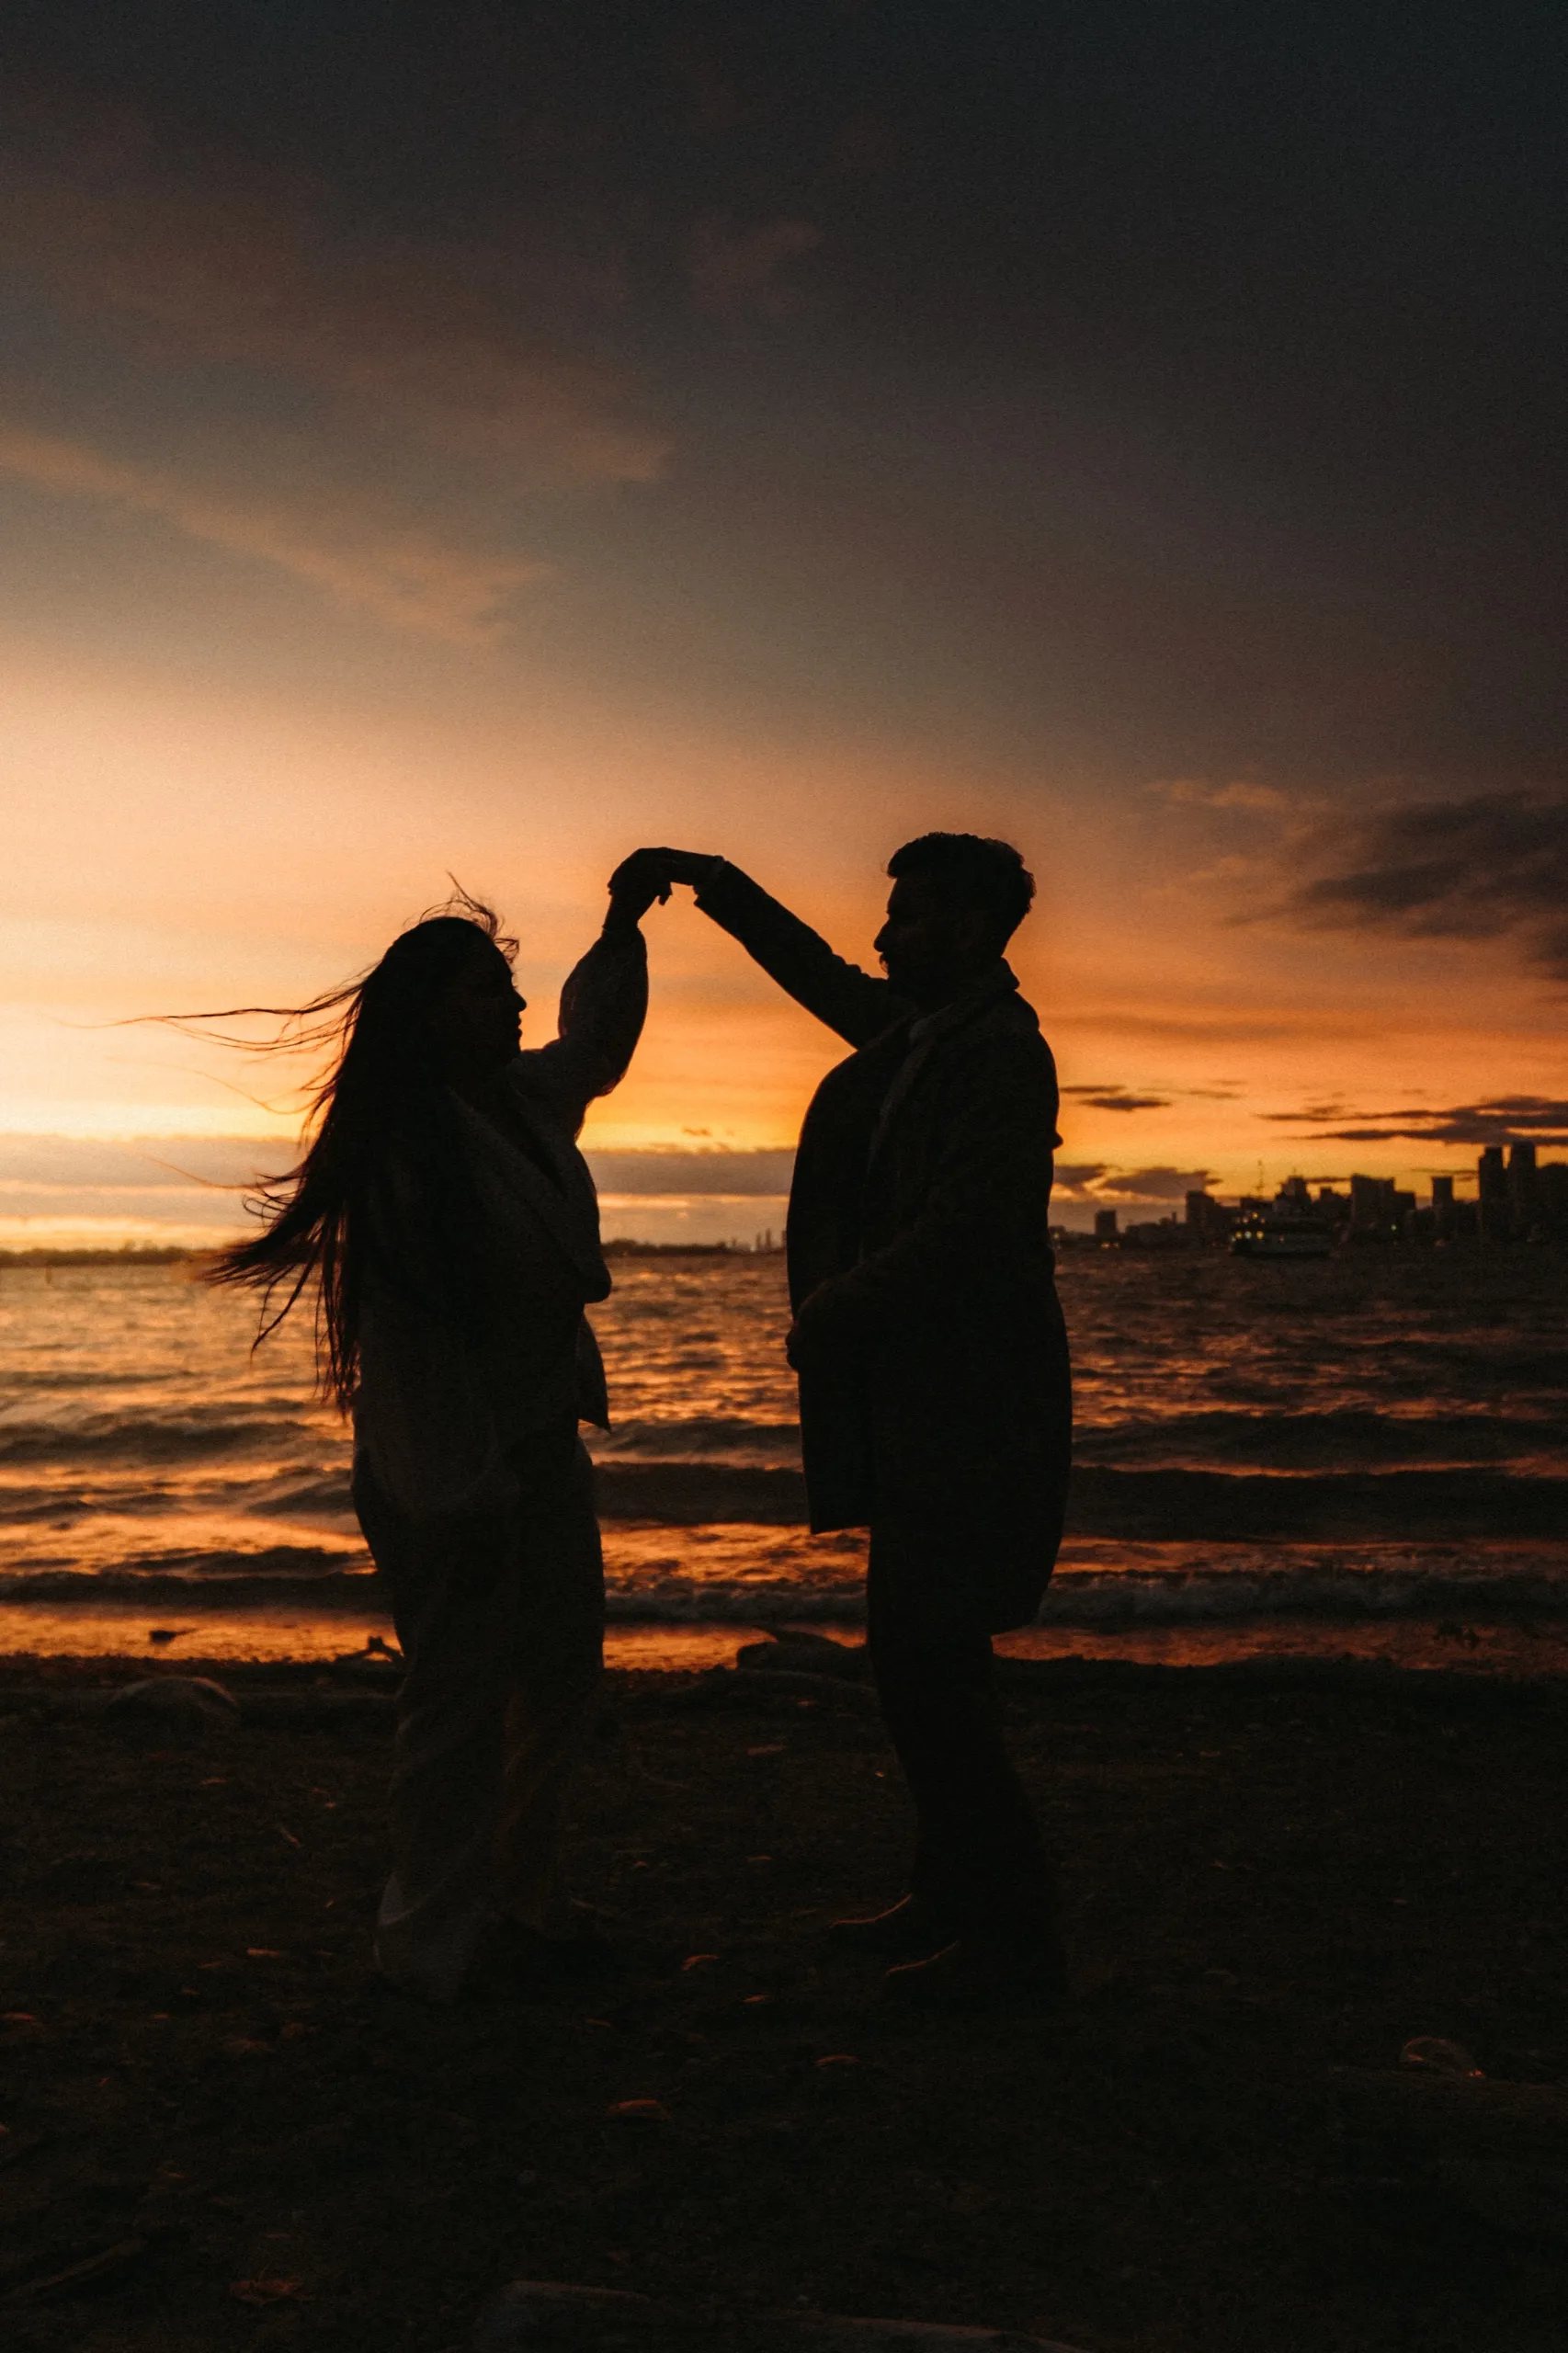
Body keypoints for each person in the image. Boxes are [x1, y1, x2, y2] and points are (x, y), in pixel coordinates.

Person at [208, 862, 669, 2002]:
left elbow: (595, 1043)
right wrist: (459, 1495)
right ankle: (428, 1944)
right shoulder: (409, 1152)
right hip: (444, 1462)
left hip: (538, 1441)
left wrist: (618, 928)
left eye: (509, 989)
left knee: (559, 1673)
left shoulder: (516, 1103)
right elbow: (412, 1362)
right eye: (485, 991)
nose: (511, 1008)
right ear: (426, 1013)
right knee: (458, 1696)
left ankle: (517, 1903)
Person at [625, 835, 1072, 2010]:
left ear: (969, 931)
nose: (881, 939)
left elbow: (970, 1230)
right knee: (923, 1660)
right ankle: (945, 1892)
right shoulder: (916, 1034)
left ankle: (1015, 1938)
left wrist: (834, 1305)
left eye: (907, 918)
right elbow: (814, 969)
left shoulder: (1001, 1057)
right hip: (919, 1400)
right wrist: (717, 882)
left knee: (930, 1665)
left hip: (971, 1405)